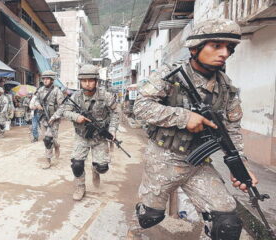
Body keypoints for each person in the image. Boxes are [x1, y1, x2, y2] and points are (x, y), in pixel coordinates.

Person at [132, 19, 258, 240]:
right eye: (216, 46)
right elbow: (140, 107)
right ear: (195, 48)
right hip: (163, 158)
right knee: (149, 217)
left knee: (226, 223)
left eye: (229, 48)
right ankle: (135, 227)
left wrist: (239, 165)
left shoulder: (226, 88)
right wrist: (183, 116)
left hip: (198, 163)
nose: (225, 53)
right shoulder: (170, 74)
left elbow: (233, 130)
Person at [56, 64, 119, 201]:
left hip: (100, 138)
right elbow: (65, 111)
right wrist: (75, 117)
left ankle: (95, 170)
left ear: (96, 81)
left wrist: (112, 130)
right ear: (80, 81)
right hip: (82, 136)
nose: (87, 84)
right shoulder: (75, 96)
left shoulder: (106, 96)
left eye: (91, 80)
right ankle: (80, 187)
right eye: (84, 81)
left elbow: (115, 113)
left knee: (102, 167)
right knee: (76, 164)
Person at [32, 70, 64, 169]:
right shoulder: (40, 90)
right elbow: (36, 99)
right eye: (44, 79)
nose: (45, 80)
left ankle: (49, 160)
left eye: (47, 79)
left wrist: (54, 117)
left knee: (48, 139)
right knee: (46, 139)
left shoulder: (57, 91)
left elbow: (62, 106)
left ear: (52, 80)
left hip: (53, 120)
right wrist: (37, 104)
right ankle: (55, 147)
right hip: (43, 118)